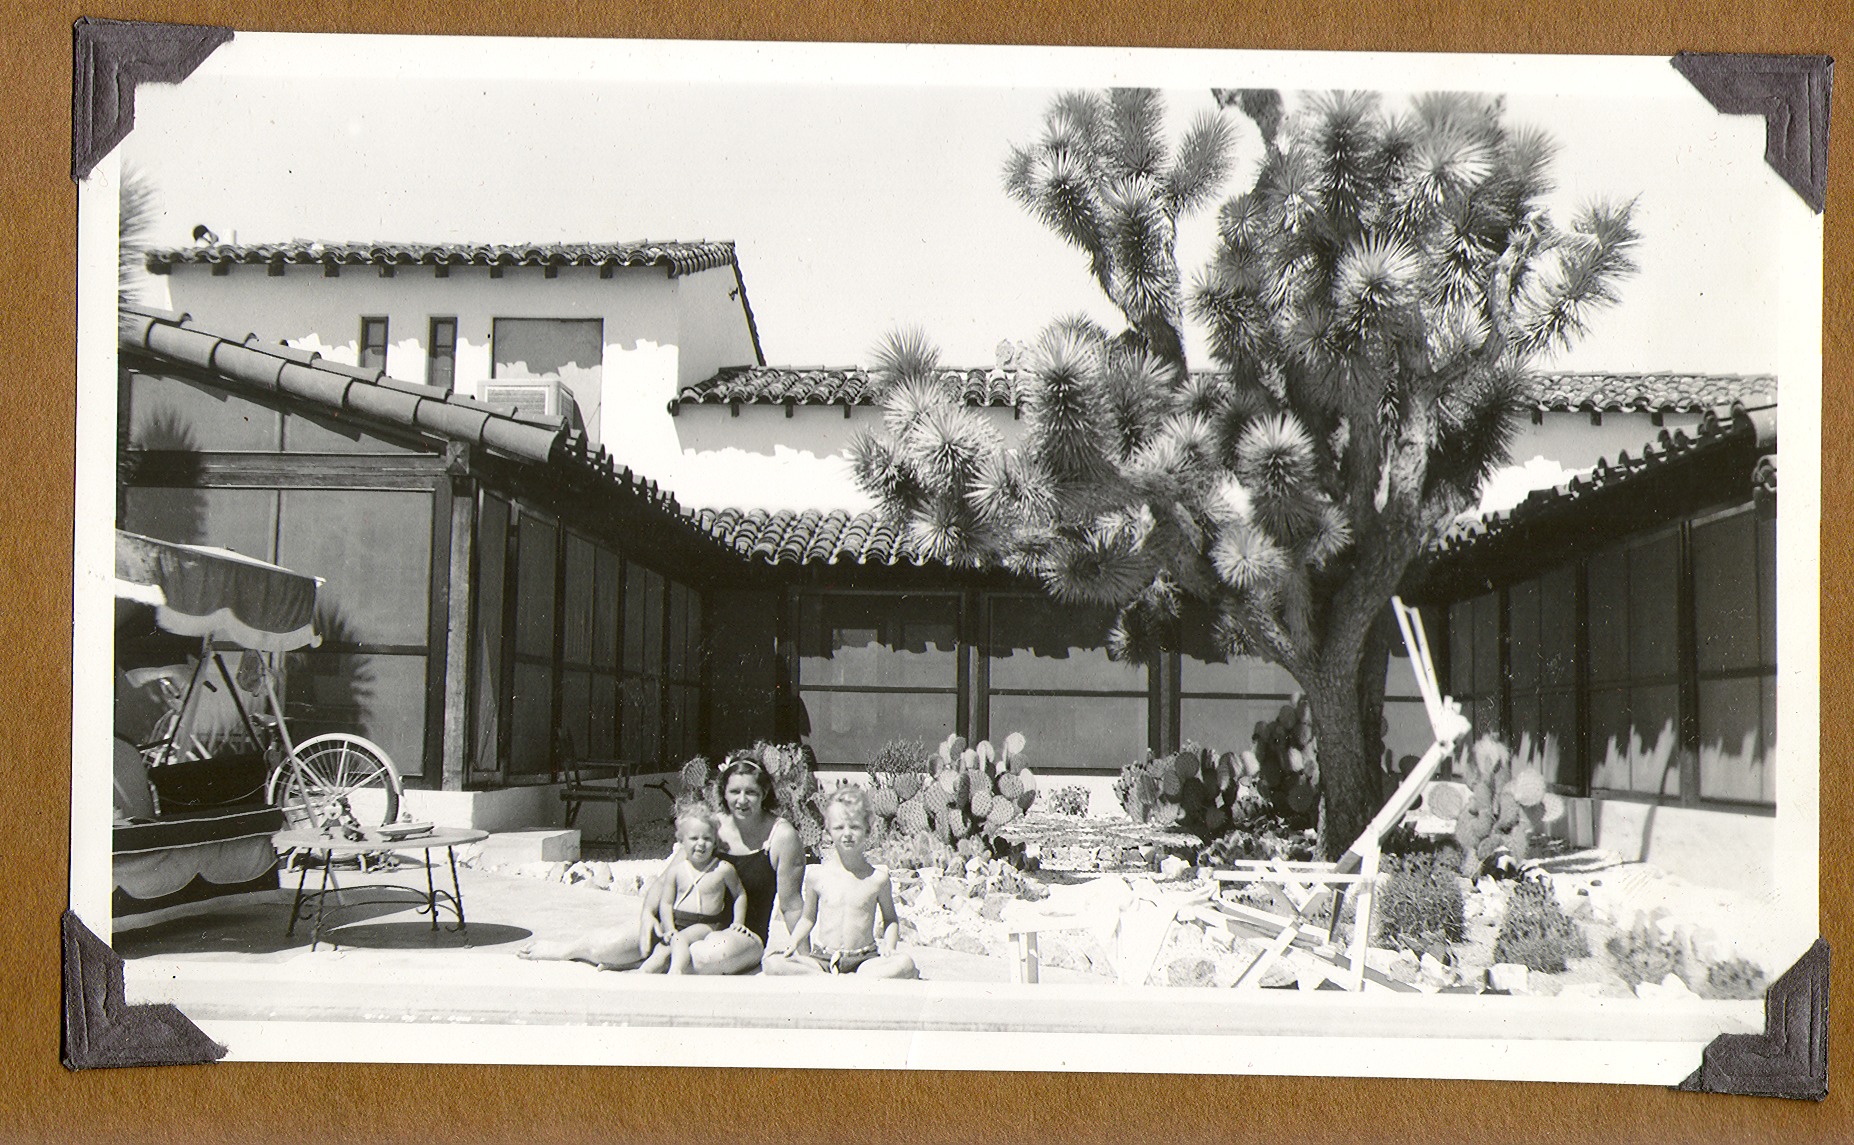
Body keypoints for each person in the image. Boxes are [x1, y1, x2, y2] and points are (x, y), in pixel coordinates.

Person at [520, 752, 805, 973]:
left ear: (764, 793)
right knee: (611, 945)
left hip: (740, 936)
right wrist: (647, 915)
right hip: (683, 925)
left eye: (751, 792)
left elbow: (792, 904)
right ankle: (566, 949)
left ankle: (645, 963)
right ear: (723, 792)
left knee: (708, 956)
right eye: (735, 792)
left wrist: (805, 957)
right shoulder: (712, 827)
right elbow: (667, 878)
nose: (742, 800)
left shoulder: (780, 836)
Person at [764, 787, 917, 978]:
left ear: (868, 830)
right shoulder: (817, 876)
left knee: (905, 963)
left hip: (864, 959)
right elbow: (807, 918)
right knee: (772, 963)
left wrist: (890, 947)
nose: (847, 834)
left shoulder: (877, 878)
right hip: (824, 958)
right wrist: (793, 942)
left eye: (854, 827)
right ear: (828, 832)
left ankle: (844, 979)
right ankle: (831, 979)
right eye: (839, 827)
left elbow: (890, 919)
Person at [633, 806, 749, 974]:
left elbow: (739, 894)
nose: (701, 843)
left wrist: (738, 923)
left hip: (706, 924)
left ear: (715, 842)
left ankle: (676, 973)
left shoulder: (722, 869)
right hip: (678, 922)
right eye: (694, 838)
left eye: (707, 838)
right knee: (659, 954)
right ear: (681, 841)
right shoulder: (677, 870)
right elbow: (666, 903)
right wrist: (669, 928)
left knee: (679, 940)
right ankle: (638, 973)